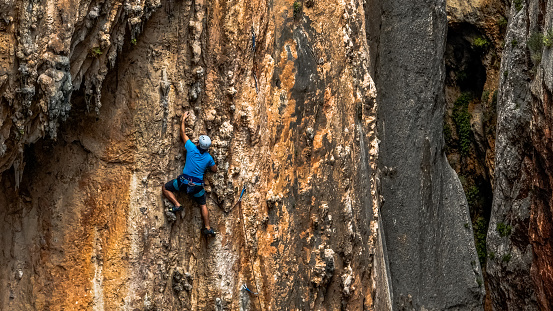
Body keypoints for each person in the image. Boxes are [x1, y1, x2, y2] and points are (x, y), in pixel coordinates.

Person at [162, 111, 217, 236]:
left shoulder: (191, 148)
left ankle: (177, 204)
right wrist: (209, 165)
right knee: (203, 204)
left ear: (198, 143)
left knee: (165, 187)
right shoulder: (208, 158)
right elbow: (214, 169)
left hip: (183, 182)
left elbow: (183, 134)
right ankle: (207, 227)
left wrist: (183, 119)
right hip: (197, 186)